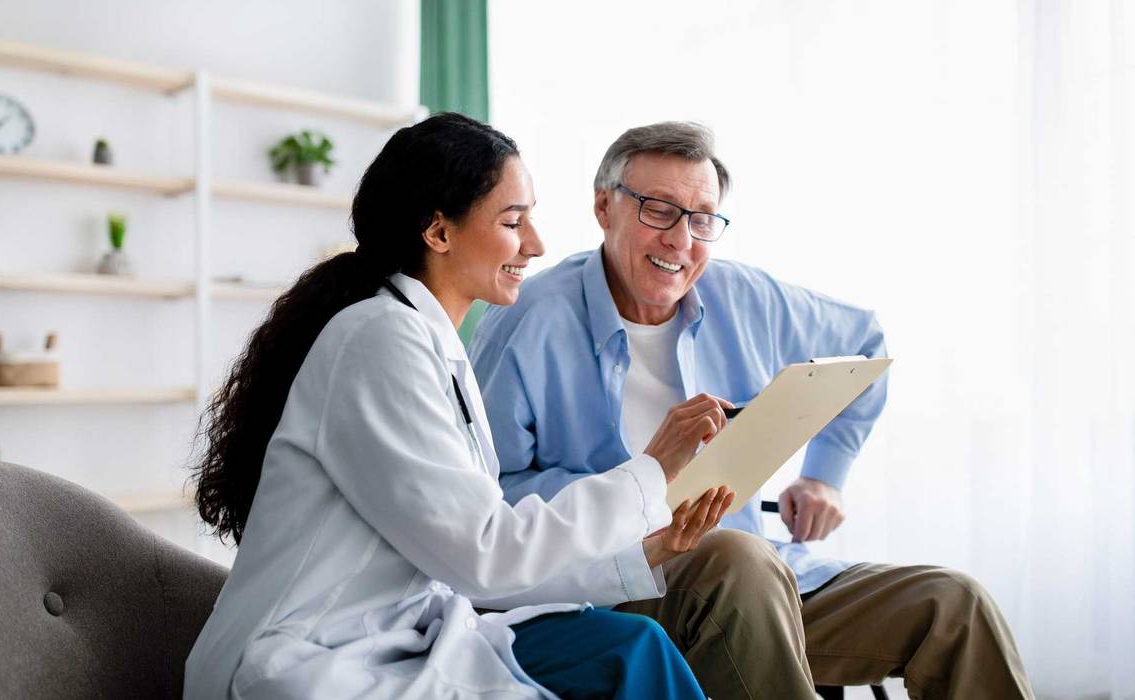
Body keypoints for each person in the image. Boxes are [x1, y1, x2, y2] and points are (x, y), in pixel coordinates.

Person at [470, 121, 1034, 699]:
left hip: (761, 583)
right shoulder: (526, 321)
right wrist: (638, 490)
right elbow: (487, 500)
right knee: (736, 558)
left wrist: (824, 477)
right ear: (603, 208)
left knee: (951, 605)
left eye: (701, 219)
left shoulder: (746, 297)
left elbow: (866, 343)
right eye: (658, 210)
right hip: (615, 583)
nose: (681, 240)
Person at [183, 113, 736, 700]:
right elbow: (485, 555)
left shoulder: (431, 346)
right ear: (439, 232)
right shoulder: (377, 340)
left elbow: (471, 560)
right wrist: (649, 472)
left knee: (634, 646)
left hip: (398, 636)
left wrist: (648, 550)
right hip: (308, 660)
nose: (536, 244)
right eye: (512, 221)